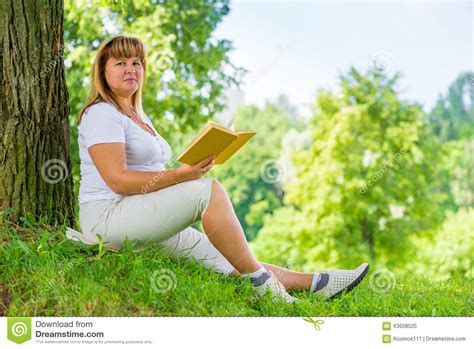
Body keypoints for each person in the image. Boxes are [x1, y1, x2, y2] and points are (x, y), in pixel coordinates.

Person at [66, 35, 369, 304]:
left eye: (136, 62)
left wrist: (194, 163)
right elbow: (118, 180)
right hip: (108, 219)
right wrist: (182, 175)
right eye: (120, 63)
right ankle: (266, 290)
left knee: (230, 259)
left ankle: (317, 283)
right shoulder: (102, 114)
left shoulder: (138, 116)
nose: (131, 69)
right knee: (209, 190)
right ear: (103, 72)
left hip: (141, 214)